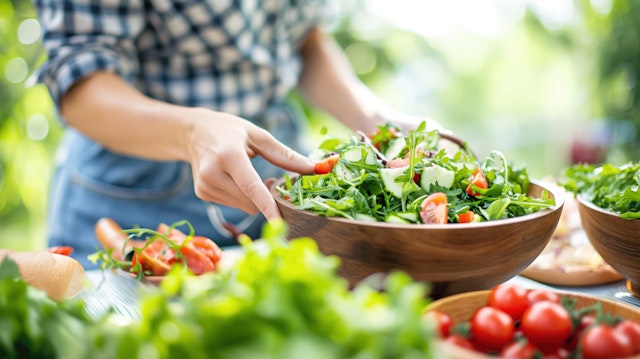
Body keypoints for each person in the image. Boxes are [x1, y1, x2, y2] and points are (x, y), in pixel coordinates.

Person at [33, 0, 444, 268]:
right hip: (136, 189)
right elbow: (80, 78)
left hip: (278, 183)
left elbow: (304, 37)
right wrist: (193, 132)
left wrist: (376, 120)